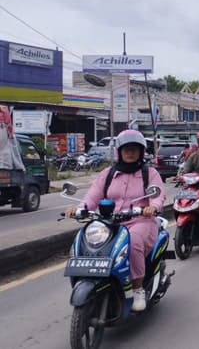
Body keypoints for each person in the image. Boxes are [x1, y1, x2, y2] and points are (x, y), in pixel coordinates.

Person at [65, 130, 165, 312]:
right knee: (86, 239)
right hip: (110, 223)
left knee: (133, 241)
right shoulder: (108, 174)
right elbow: (92, 197)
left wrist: (153, 207)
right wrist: (79, 209)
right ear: (119, 151)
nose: (130, 153)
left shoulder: (149, 173)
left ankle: (137, 288)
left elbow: (157, 195)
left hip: (140, 221)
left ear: (141, 152)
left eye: (134, 149)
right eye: (126, 149)